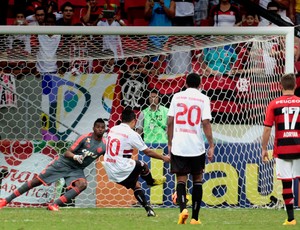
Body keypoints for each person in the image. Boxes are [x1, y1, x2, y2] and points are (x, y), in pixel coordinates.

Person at [0, 118, 106, 211]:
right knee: (36, 181)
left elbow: (108, 157)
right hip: (64, 163)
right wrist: (75, 156)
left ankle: (54, 204)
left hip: (76, 169)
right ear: (93, 128)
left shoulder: (104, 145)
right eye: (98, 127)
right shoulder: (84, 138)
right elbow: (67, 152)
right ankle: (5, 200)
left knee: (82, 184)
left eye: (102, 127)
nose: (100, 129)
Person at [103, 107, 170, 217]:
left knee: (135, 184)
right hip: (121, 168)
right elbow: (147, 152)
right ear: (134, 121)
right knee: (143, 165)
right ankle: (151, 182)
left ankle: (149, 209)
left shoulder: (113, 129)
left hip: (109, 168)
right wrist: (164, 158)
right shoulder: (131, 134)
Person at [167, 73, 214, 224]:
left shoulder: (176, 97)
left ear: (185, 84)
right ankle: (195, 218)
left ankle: (182, 210)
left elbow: (169, 121)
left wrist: (170, 142)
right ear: (200, 85)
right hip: (196, 147)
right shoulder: (203, 98)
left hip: (179, 145)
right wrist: (211, 144)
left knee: (181, 179)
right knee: (197, 180)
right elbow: (206, 122)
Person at [261, 73, 299, 226]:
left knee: (286, 183)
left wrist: (264, 148)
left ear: (280, 86)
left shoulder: (274, 104)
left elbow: (267, 129)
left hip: (282, 149)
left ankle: (290, 219)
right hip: (299, 148)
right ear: (295, 86)